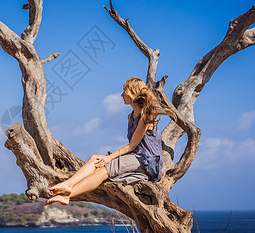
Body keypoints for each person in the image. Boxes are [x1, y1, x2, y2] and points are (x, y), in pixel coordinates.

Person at [45, 77, 175, 206]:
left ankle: (68, 196)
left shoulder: (145, 117)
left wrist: (109, 158)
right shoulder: (130, 116)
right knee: (95, 158)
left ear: (132, 94)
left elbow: (132, 145)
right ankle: (69, 184)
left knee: (102, 171)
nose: (121, 95)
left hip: (147, 162)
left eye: (124, 92)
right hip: (136, 157)